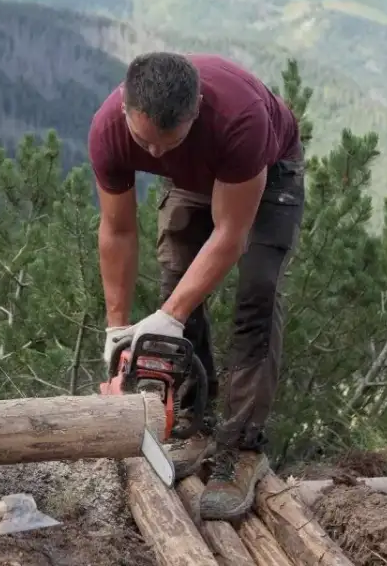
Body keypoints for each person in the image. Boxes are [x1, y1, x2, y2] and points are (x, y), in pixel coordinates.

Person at [88, 51, 304, 521]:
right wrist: (117, 328)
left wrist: (171, 315)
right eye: (144, 142)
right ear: (125, 107)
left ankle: (242, 448)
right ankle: (193, 422)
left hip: (264, 175)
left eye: (169, 141)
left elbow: (231, 234)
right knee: (176, 278)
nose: (155, 154)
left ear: (197, 109)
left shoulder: (240, 120)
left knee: (257, 295)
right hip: (193, 176)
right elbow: (118, 231)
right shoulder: (108, 130)